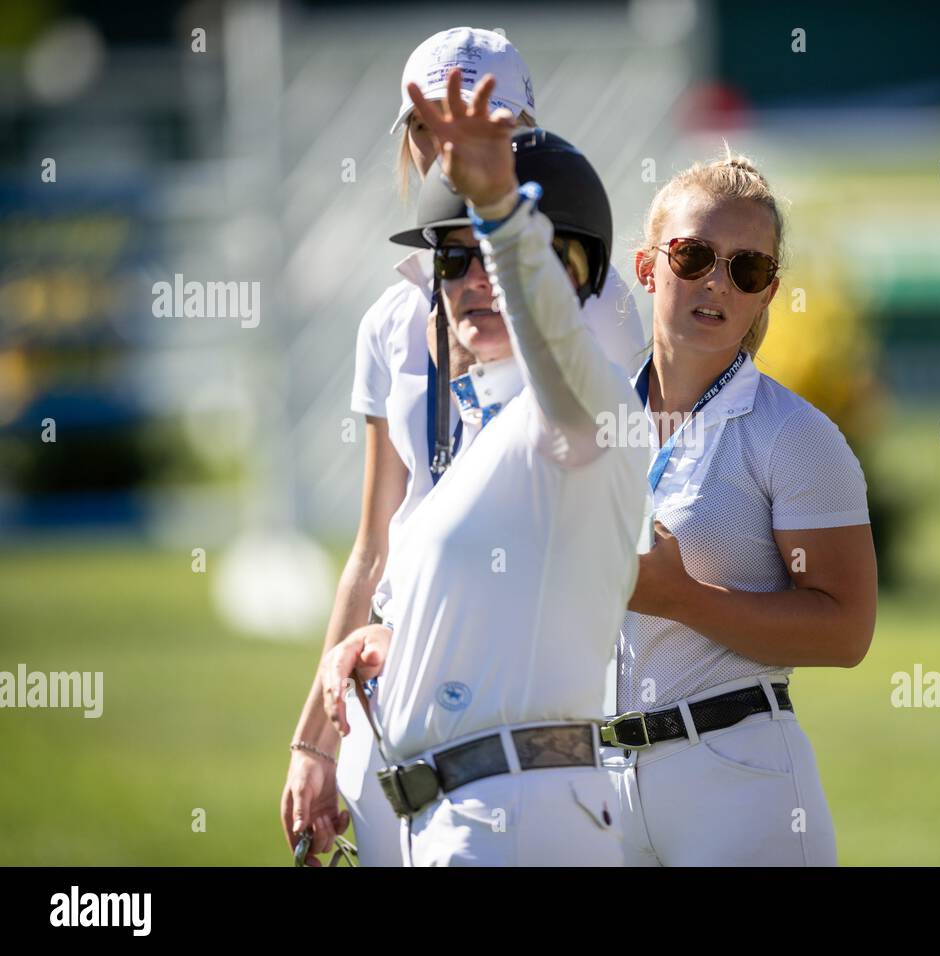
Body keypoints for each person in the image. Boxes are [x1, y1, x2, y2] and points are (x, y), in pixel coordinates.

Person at [280, 27, 643, 866]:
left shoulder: (590, 305)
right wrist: (314, 742)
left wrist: (505, 227)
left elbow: (596, 507)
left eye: (486, 128)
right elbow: (375, 548)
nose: (452, 146)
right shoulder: (397, 316)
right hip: (395, 669)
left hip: (524, 686)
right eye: (428, 126)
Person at [600, 150, 878, 866]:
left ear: (767, 292)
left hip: (737, 782)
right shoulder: (588, 426)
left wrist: (680, 597)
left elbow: (846, 633)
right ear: (646, 266)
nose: (717, 283)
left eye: (746, 269)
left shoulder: (794, 435)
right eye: (694, 256)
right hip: (592, 789)